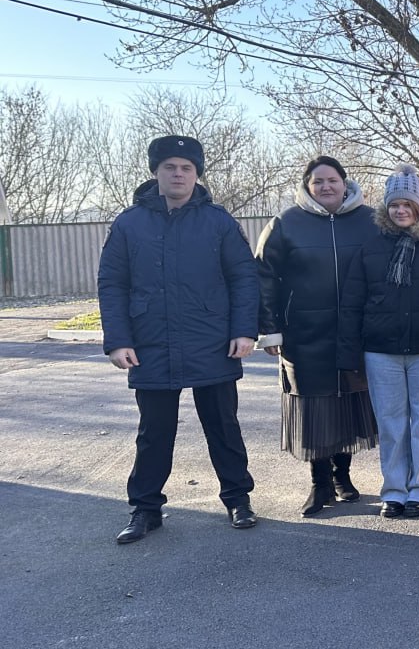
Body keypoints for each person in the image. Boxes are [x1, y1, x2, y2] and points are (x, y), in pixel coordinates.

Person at [98, 135, 259, 543]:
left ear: (197, 174)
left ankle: (238, 500)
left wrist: (244, 329)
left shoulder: (219, 221)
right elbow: (112, 283)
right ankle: (146, 509)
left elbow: (243, 278)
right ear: (156, 172)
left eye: (187, 168)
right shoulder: (129, 223)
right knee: (154, 430)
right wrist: (118, 339)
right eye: (170, 166)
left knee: (223, 424)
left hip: (213, 339)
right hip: (150, 342)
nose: (178, 174)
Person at [339, 164, 419, 518]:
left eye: (407, 205)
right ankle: (394, 490)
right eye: (394, 205)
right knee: (391, 422)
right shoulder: (370, 249)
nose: (400, 211)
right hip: (381, 351)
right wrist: (349, 351)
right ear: (386, 208)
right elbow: (353, 302)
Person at [255, 156, 379, 518]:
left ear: (345, 183)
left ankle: (343, 477)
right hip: (303, 333)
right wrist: (269, 328)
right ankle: (319, 482)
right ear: (307, 187)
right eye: (318, 181)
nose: (326, 187)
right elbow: (263, 276)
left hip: (356, 331)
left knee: (348, 402)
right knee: (316, 407)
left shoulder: (370, 221)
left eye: (332, 180)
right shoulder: (286, 223)